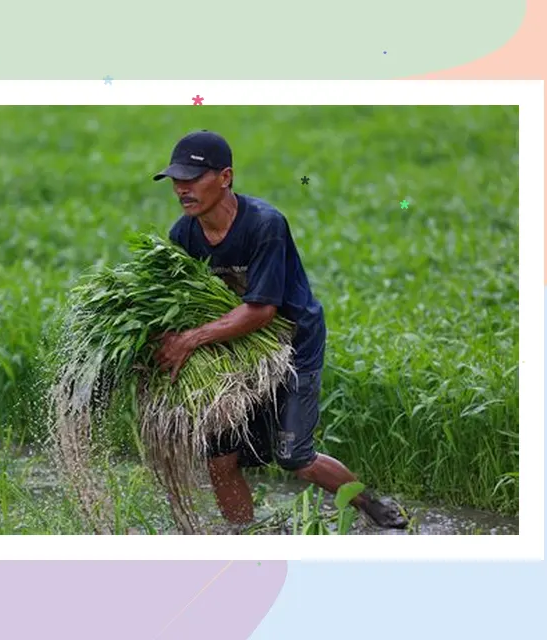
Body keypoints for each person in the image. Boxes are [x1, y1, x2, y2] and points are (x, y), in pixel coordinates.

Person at [151, 130, 409, 530]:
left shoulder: (264, 225)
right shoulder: (182, 235)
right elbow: (179, 305)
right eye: (176, 180)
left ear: (225, 177)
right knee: (220, 457)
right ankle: (248, 537)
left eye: (192, 178)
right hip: (236, 351)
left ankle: (373, 506)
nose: (182, 188)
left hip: (292, 344)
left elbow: (261, 312)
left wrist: (189, 339)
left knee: (295, 457)